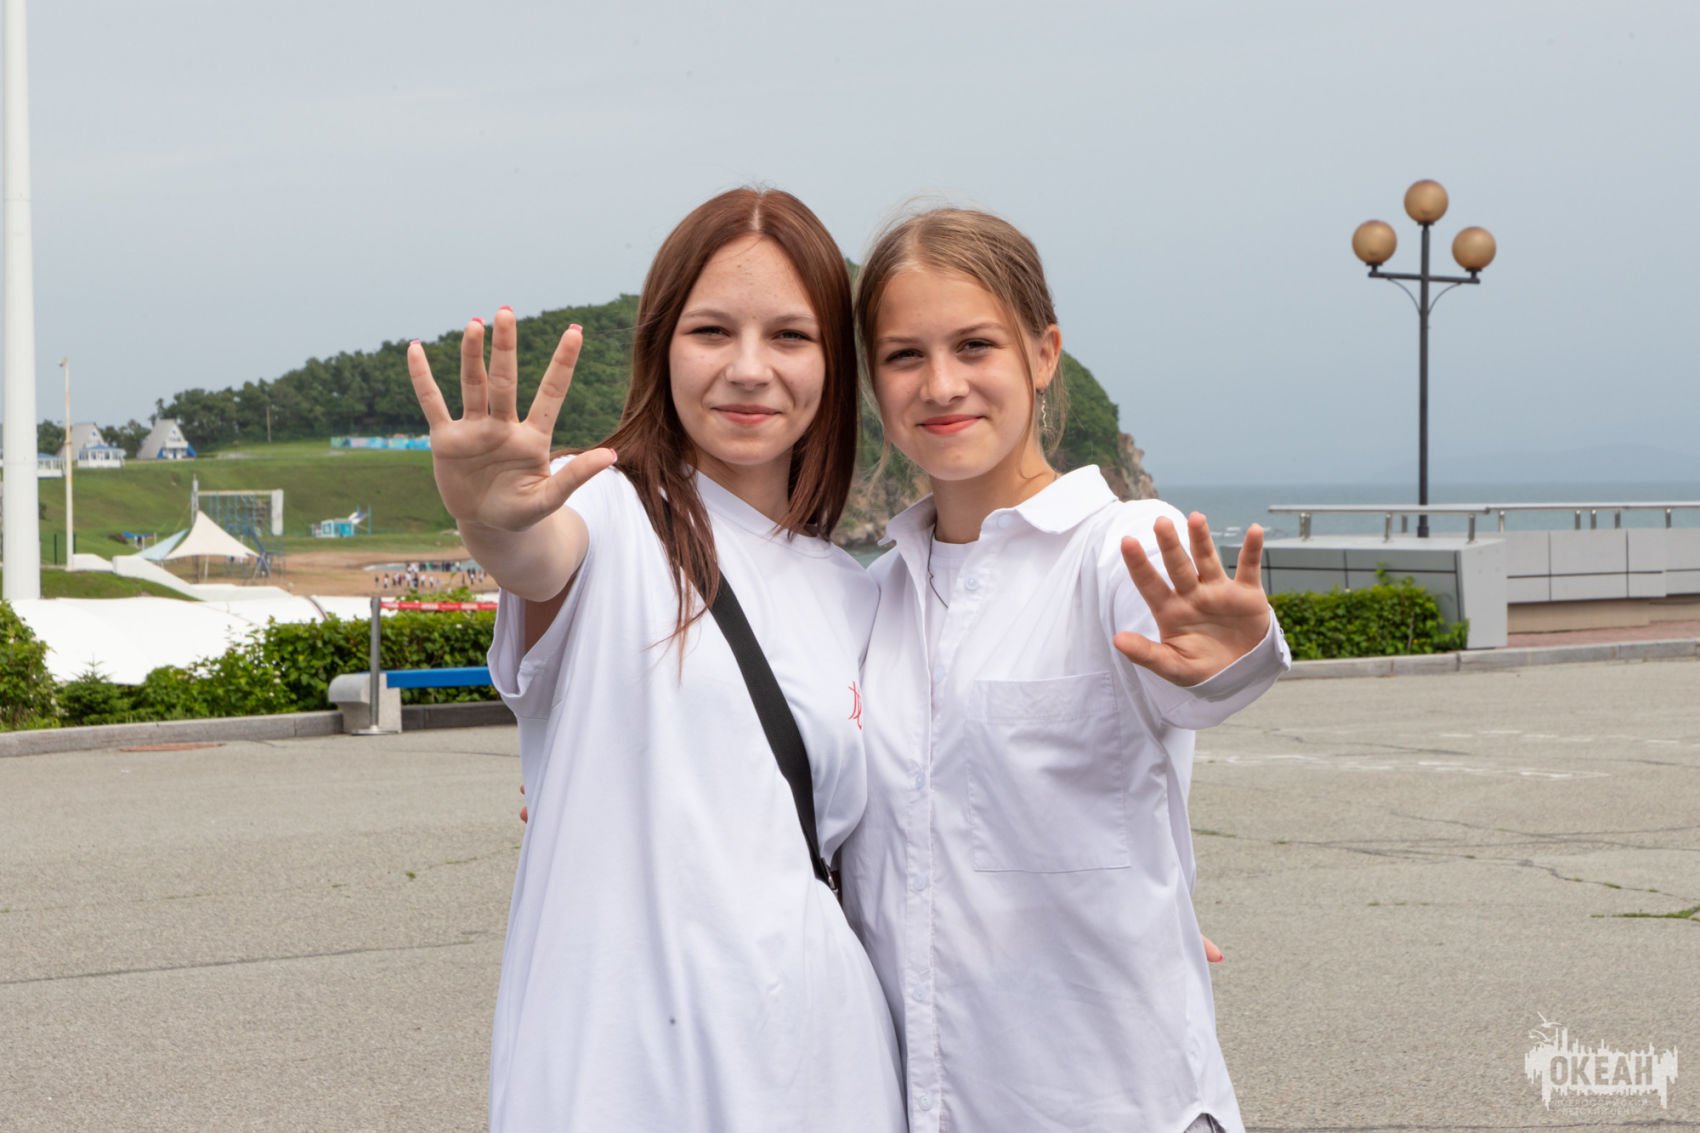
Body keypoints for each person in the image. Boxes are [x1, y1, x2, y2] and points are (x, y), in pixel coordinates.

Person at [406, 188, 904, 1132]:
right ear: (661, 346)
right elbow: (537, 556)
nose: (749, 368)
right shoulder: (612, 517)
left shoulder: (854, 591)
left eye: (790, 336)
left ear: (834, 367)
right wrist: (488, 520)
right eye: (712, 330)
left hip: (825, 1070)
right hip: (625, 1078)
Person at [841, 206, 1290, 1133]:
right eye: (904, 355)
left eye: (975, 345)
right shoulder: (873, 597)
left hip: (1112, 1101)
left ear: (1043, 355)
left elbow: (1205, 671)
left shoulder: (1117, 548)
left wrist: (1232, 658)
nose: (942, 384)